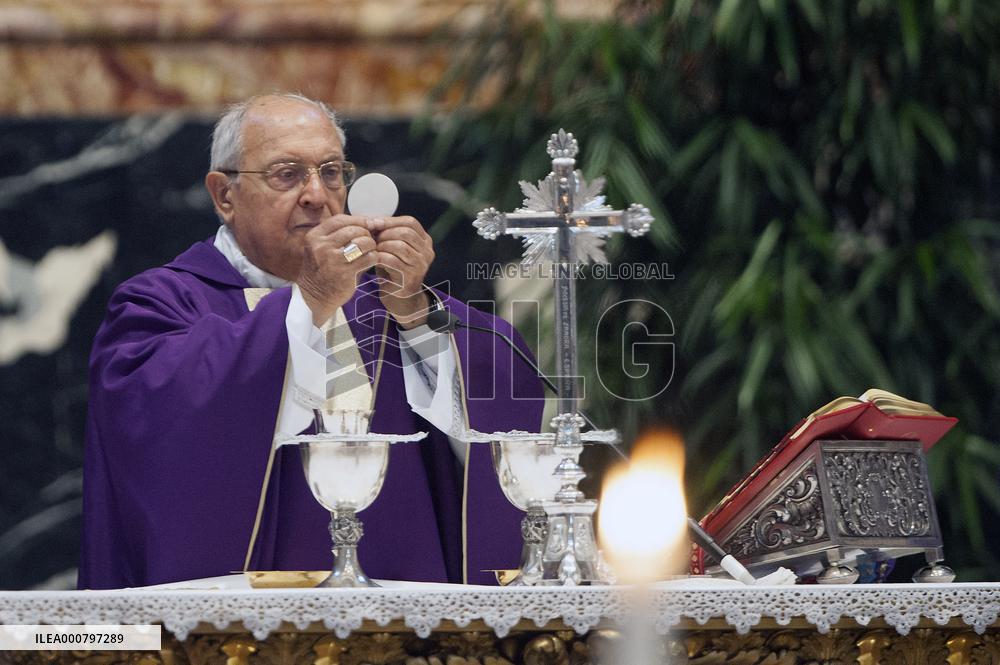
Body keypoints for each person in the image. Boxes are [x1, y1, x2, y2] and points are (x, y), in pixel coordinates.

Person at [78, 93, 544, 589]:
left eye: (332, 172)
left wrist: (418, 315)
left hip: (404, 610)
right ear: (224, 195)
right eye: (287, 174)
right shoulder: (160, 304)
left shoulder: (391, 300)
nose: (317, 195)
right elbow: (162, 434)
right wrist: (311, 299)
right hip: (241, 622)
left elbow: (503, 395)